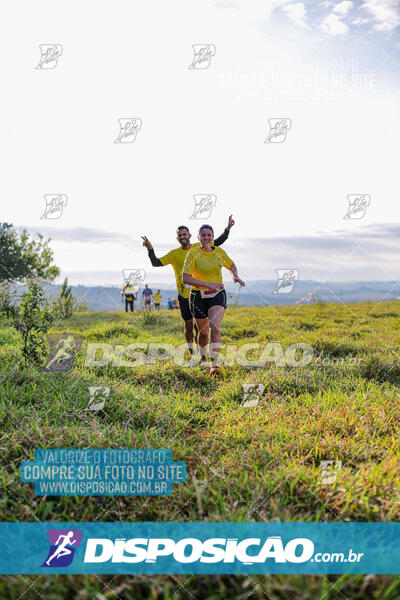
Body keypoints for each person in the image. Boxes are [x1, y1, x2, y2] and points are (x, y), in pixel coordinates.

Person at [142, 215, 235, 353]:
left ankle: (201, 353)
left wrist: (227, 229)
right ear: (177, 238)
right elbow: (156, 263)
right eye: (180, 235)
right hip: (184, 294)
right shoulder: (174, 254)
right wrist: (150, 250)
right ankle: (191, 350)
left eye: (185, 234)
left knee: (201, 329)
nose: (182, 237)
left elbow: (218, 241)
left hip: (200, 292)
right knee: (188, 325)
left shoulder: (200, 246)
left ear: (191, 235)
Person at [182, 223, 245, 377]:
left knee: (215, 327)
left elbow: (231, 265)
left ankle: (214, 365)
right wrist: (206, 284)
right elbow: (186, 278)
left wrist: (235, 275)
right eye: (203, 235)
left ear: (212, 237)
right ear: (198, 237)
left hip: (217, 294)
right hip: (198, 296)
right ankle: (202, 357)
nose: (206, 238)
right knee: (203, 334)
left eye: (209, 235)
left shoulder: (219, 252)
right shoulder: (193, 253)